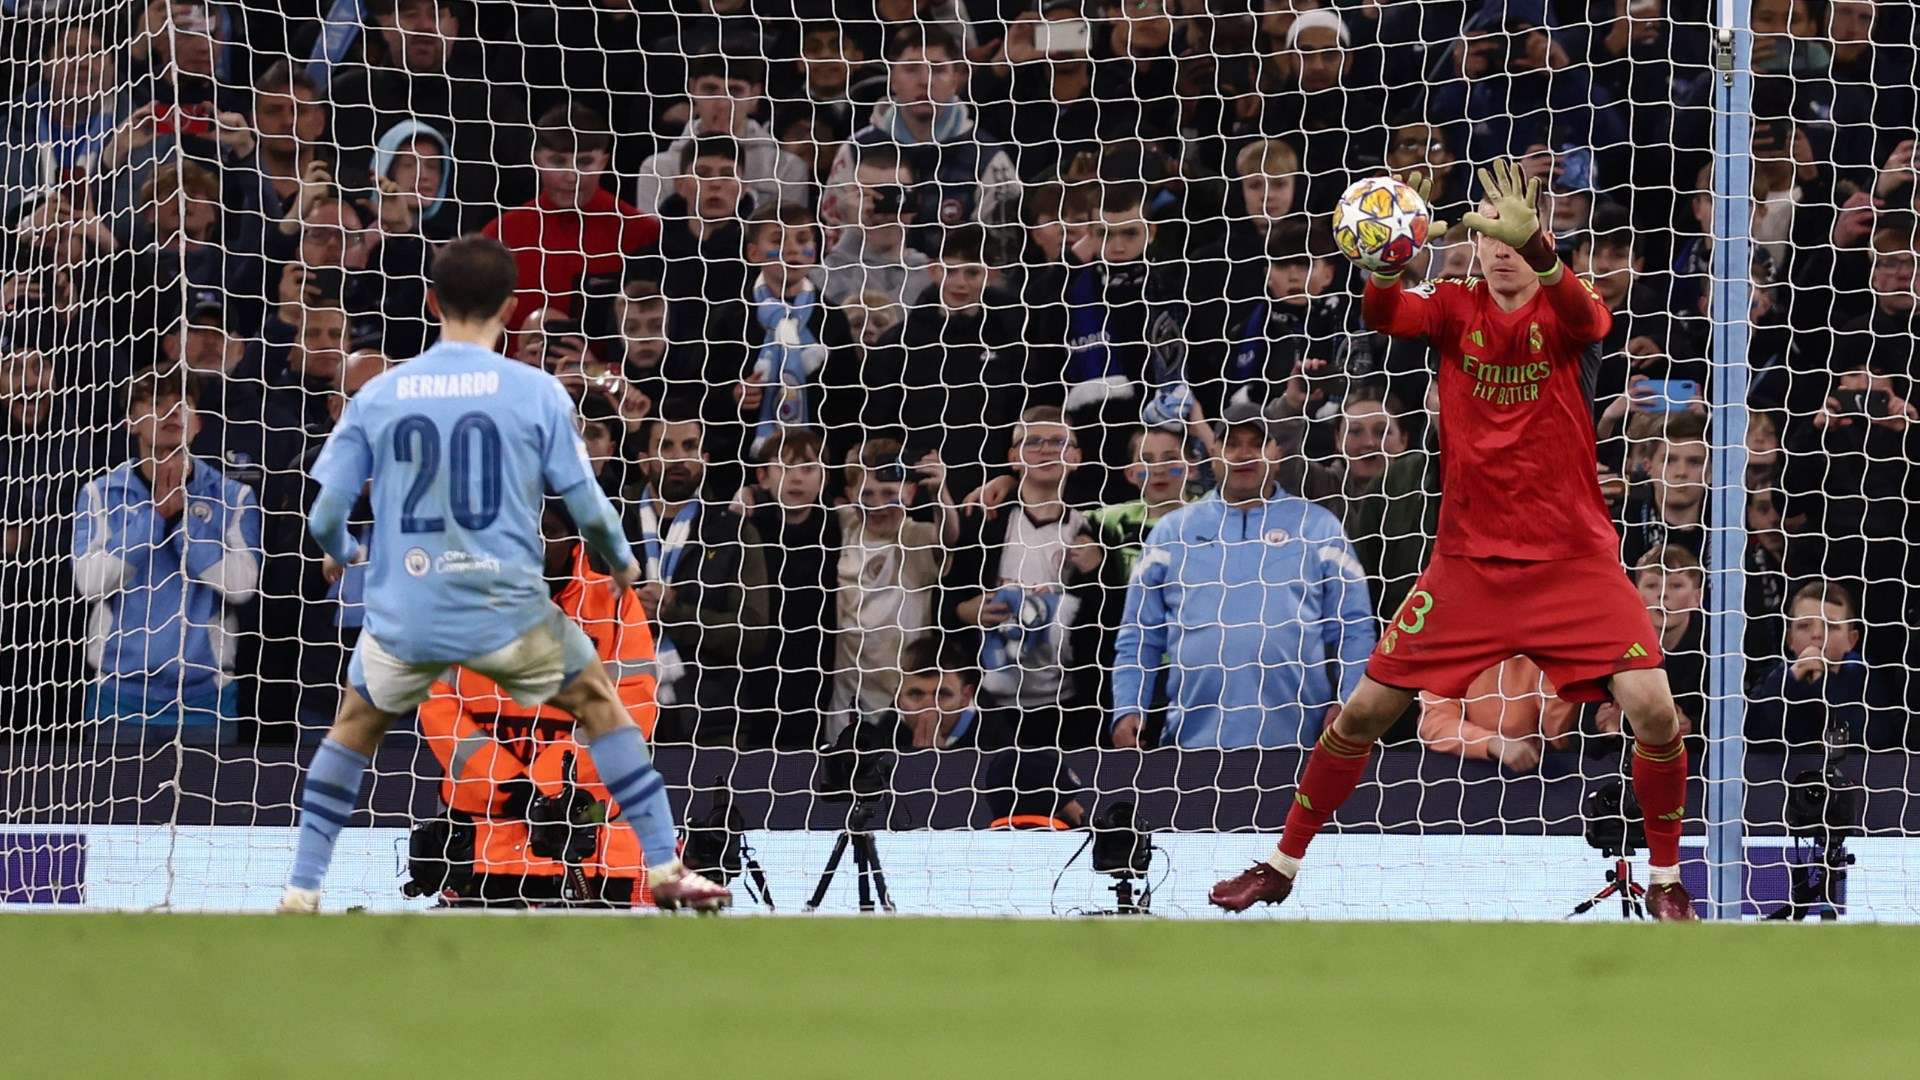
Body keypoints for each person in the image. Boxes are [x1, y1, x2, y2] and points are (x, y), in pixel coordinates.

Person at [1210, 163, 1699, 920]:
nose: (1498, 249)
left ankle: (1667, 881)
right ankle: (1280, 864)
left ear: (1537, 236)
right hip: (1469, 567)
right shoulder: (1451, 305)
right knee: (1364, 713)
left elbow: (1590, 319)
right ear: (1472, 246)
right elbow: (1383, 315)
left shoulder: (1573, 306)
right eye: (1489, 234)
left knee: (1655, 711)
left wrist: (1536, 243)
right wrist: (1380, 265)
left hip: (1573, 564)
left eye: (1516, 231)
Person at [279, 236, 728, 913]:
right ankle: (666, 870)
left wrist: (342, 550)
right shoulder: (534, 390)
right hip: (503, 607)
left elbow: (324, 519)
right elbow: (589, 507)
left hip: (410, 607)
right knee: (605, 709)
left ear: (431, 302)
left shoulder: (382, 393)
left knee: (350, 732)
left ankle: (302, 888)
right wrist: (625, 562)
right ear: (511, 309)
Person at [416, 500, 662, 907]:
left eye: (548, 528)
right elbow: (438, 708)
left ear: (573, 534)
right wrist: (510, 787)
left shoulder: (616, 603)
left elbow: (634, 709)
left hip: (590, 848)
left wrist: (545, 786)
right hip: (484, 846)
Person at [1111, 401, 1374, 750]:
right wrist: (1128, 707)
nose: (1243, 454)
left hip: (1302, 747)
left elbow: (1355, 628)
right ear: (1214, 452)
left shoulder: (1320, 527)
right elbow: (1138, 636)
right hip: (1191, 750)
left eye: (1256, 443)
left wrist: (1349, 703)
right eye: (1232, 444)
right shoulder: (1171, 532)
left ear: (1277, 453)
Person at [71, 366, 261, 743]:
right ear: (131, 422)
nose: (171, 412)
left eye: (181, 404)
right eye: (156, 402)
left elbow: (241, 586)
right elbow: (90, 584)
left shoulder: (233, 496)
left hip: (206, 696)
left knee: (211, 803)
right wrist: (155, 517)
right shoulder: (99, 493)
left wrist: (184, 522)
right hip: (118, 696)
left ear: (198, 423)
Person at [943, 407, 1116, 748]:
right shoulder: (985, 524)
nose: (1046, 450)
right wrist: (964, 612)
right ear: (1013, 457)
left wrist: (1098, 572)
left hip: (1070, 709)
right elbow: (940, 602)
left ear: (1077, 457)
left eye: (1059, 442)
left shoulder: (1094, 530)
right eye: (1032, 442)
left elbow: (1114, 622)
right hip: (991, 711)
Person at [631, 409, 771, 747]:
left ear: (705, 458)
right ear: (643, 459)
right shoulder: (608, 528)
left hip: (710, 721)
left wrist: (672, 613)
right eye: (666, 446)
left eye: (690, 446)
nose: (679, 458)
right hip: (619, 716)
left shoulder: (733, 531)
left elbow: (751, 633)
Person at [1746, 582, 1903, 750]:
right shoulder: (1775, 677)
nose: (1817, 635)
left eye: (1831, 626)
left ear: (1852, 640)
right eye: (1805, 626)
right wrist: (1789, 683)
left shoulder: (1864, 676)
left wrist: (1823, 683)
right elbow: (1755, 737)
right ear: (1789, 639)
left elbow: (1875, 738)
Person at [1419, 656, 1577, 774]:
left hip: (1541, 766)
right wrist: (1491, 743)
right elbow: (1433, 723)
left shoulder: (1550, 643)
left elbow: (1560, 737)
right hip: (1467, 764)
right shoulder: (1452, 643)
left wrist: (1551, 668)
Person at [877, 638, 996, 750]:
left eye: (942, 695)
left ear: (965, 697)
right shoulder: (885, 735)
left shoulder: (996, 737)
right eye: (916, 695)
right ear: (898, 699)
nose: (929, 707)